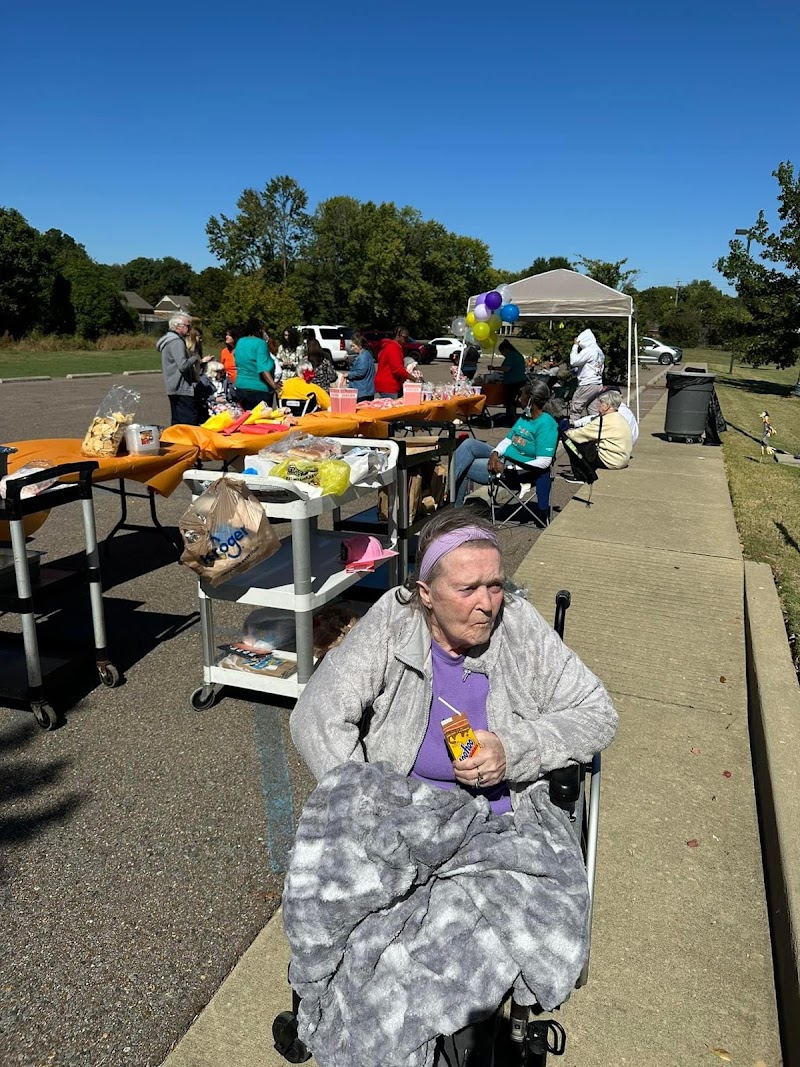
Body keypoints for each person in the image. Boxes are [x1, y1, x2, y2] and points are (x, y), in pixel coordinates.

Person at [288, 510, 617, 1064]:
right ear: (425, 594)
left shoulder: (521, 629)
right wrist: (373, 799)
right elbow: (316, 717)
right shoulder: (391, 624)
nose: (487, 603)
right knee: (336, 916)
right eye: (467, 589)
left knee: (416, 967)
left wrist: (514, 750)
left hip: (498, 826)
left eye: (495, 584)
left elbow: (597, 713)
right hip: (402, 818)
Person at [452, 381, 558, 517]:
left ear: (531, 400)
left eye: (522, 396)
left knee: (466, 466)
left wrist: (509, 469)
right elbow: (508, 440)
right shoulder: (526, 417)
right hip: (506, 458)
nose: (519, 399)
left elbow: (544, 462)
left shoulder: (547, 424)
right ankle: (447, 494)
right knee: (468, 444)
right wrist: (495, 453)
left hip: (519, 470)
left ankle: (454, 510)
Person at [563, 389, 633, 482]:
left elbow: (578, 435)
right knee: (590, 442)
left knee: (569, 442)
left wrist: (563, 432)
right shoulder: (619, 417)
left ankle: (581, 475)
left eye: (600, 404)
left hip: (611, 461)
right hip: (622, 459)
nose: (598, 407)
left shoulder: (604, 421)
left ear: (607, 406)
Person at [157, 312, 202, 425]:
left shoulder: (168, 341)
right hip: (181, 386)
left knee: (177, 420)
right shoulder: (176, 342)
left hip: (172, 385)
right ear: (178, 326)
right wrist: (194, 357)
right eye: (187, 325)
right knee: (189, 419)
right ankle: (189, 441)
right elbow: (183, 365)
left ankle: (176, 441)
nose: (189, 328)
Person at [233, 317, 278, 410]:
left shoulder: (240, 342)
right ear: (259, 330)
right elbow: (263, 368)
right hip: (258, 389)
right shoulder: (260, 344)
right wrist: (274, 386)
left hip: (241, 387)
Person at [572, 386, 639, 445]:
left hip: (619, 447)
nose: (599, 404)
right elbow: (594, 418)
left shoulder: (615, 414)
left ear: (609, 402)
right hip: (626, 444)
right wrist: (575, 423)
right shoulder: (621, 408)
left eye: (602, 402)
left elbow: (595, 428)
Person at [568, 329, 605, 423]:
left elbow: (573, 361)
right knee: (593, 410)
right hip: (597, 384)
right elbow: (590, 367)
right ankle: (595, 430)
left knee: (576, 406)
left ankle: (572, 429)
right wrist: (577, 371)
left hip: (587, 384)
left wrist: (575, 346)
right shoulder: (599, 351)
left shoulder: (589, 350)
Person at [374, 326, 414, 398]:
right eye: (405, 337)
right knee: (390, 407)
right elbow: (398, 369)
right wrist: (414, 378)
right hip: (388, 385)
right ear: (397, 336)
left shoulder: (390, 346)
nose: (406, 340)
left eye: (407, 338)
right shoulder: (393, 348)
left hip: (384, 384)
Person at [497, 339, 527, 422]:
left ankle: (511, 417)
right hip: (520, 379)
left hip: (513, 381)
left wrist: (494, 368)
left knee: (510, 400)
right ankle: (509, 415)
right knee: (511, 400)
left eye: (502, 352)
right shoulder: (517, 355)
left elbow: (507, 368)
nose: (502, 354)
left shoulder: (511, 356)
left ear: (505, 350)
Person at [342, 331, 375, 401]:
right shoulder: (366, 354)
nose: (352, 348)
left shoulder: (363, 356)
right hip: (366, 390)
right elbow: (358, 368)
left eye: (353, 346)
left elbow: (361, 372)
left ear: (360, 346)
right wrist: (349, 362)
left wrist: (348, 374)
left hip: (363, 391)